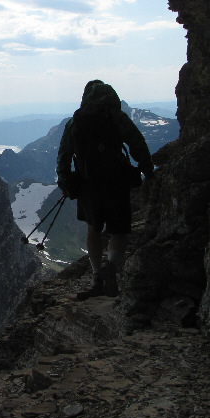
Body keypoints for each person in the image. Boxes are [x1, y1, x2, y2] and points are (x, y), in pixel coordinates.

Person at [56, 80, 154, 297]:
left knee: (94, 229)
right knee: (118, 230)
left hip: (88, 186)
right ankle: (112, 267)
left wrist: (66, 182)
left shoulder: (75, 122)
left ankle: (97, 277)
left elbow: (63, 156)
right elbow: (137, 144)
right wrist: (149, 172)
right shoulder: (116, 117)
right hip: (116, 182)